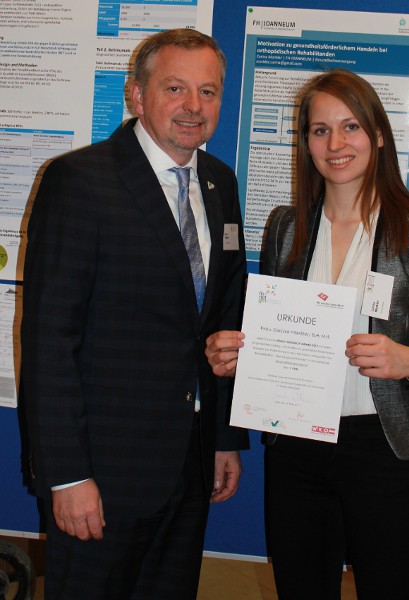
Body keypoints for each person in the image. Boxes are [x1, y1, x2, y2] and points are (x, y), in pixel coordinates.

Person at [205, 69, 409, 600]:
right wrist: (239, 356)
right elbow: (279, 333)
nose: (336, 143)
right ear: (306, 143)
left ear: (377, 135)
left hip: (387, 450)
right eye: (320, 130)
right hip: (298, 451)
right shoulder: (285, 225)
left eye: (350, 126)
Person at [21, 28, 248, 600]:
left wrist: (223, 437)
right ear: (137, 95)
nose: (194, 107)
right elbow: (50, 340)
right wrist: (67, 476)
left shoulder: (221, 184)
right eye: (175, 88)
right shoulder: (79, 181)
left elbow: (222, 320)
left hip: (189, 468)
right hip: (103, 473)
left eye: (208, 91)